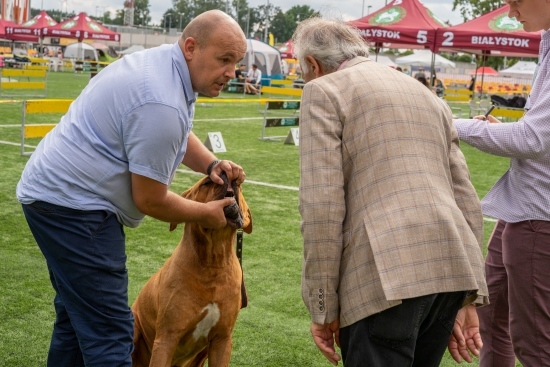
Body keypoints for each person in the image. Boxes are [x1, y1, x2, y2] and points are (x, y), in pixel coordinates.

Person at [17, 10, 247, 367]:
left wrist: (210, 165)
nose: (232, 72)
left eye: (237, 62)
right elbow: (150, 199)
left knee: (76, 321)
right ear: (191, 47)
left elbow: (176, 133)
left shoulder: (165, 70)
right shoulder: (162, 101)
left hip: (53, 195)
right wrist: (206, 213)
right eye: (225, 59)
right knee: (110, 332)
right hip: (75, 208)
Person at [293, 17, 488, 367]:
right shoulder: (426, 95)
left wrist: (323, 305)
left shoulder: (323, 90)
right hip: (450, 268)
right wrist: (469, 295)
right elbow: (466, 199)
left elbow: (321, 205)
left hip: (384, 280)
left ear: (312, 64)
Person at [454, 0, 550, 366]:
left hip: (539, 217)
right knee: (489, 318)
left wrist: (450, 124)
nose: (510, 10)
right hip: (523, 209)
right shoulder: (546, 40)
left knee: (536, 344)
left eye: (516, 0)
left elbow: (534, 140)